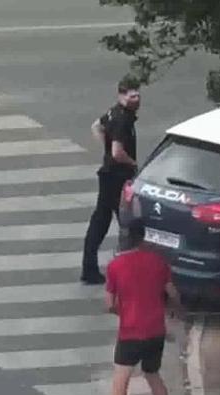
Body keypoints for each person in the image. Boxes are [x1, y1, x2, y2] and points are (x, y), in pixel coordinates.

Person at [92, 219, 183, 395]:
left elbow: (109, 304)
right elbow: (172, 294)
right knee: (152, 374)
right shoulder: (158, 262)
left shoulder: (115, 266)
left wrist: (122, 311)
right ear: (144, 238)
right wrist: (171, 311)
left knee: (120, 383)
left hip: (130, 332)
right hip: (155, 331)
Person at [81, 76, 141, 285]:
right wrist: (133, 163)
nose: (136, 99)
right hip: (117, 176)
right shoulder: (122, 119)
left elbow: (96, 126)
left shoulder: (114, 112)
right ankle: (129, 269)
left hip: (109, 175)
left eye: (137, 95)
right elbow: (117, 152)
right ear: (122, 95)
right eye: (132, 96)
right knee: (127, 222)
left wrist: (106, 147)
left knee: (102, 220)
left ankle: (89, 268)